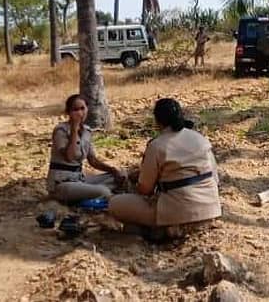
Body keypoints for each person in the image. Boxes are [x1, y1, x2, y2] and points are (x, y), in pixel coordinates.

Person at [108, 98, 221, 231]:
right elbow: (215, 178)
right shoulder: (200, 138)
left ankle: (155, 230)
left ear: (157, 121)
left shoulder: (157, 145)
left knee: (115, 204)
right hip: (210, 209)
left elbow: (145, 189)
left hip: (177, 213)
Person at [47, 94, 125, 203]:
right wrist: (74, 129)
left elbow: (93, 160)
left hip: (79, 179)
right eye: (75, 110)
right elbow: (70, 156)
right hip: (62, 183)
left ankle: (90, 193)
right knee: (102, 191)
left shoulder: (87, 131)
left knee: (122, 175)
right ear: (69, 112)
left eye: (82, 108)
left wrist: (112, 170)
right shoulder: (61, 130)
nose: (80, 113)